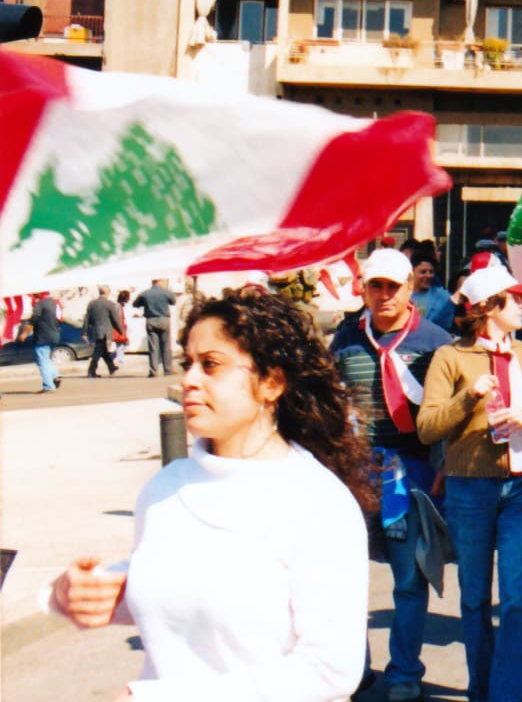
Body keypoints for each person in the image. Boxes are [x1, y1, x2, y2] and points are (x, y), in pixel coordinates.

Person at [50, 289, 373, 698]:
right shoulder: (165, 490)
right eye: (188, 364)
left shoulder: (317, 503)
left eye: (211, 366)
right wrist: (80, 591)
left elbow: (331, 671)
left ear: (271, 383)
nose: (188, 380)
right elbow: (183, 595)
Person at [418, 265, 522, 702]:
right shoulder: (450, 357)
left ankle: (515, 697)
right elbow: (427, 428)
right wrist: (468, 397)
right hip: (470, 489)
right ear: (488, 308)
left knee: (517, 600)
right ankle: (482, 690)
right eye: (514, 300)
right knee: (475, 598)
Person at [328, 247, 453, 702]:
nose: (383, 296)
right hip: (354, 472)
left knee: (408, 580)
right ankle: (354, 670)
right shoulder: (344, 341)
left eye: (392, 287)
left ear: (409, 290)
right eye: (374, 286)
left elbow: (452, 415)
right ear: (363, 289)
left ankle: (404, 671)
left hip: (412, 473)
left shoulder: (437, 342)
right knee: (345, 579)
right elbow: (329, 405)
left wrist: (443, 466)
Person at [137, 278, 177, 378]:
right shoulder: (166, 292)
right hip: (164, 319)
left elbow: (135, 304)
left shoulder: (145, 293)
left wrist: (145, 304)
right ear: (159, 282)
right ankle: (168, 370)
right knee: (166, 346)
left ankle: (153, 371)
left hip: (151, 320)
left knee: (153, 347)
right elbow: (173, 301)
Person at [84, 286, 123, 378]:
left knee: (103, 351)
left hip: (95, 331)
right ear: (107, 292)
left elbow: (87, 318)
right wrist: (120, 330)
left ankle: (112, 367)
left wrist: (84, 332)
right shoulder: (110, 304)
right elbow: (115, 319)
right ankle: (91, 371)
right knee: (97, 352)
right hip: (104, 332)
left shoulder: (91, 303)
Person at [412, 256, 457, 331]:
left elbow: (446, 324)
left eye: (431, 272)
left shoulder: (442, 296)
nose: (428, 275)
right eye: (423, 272)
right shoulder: (403, 295)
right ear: (411, 273)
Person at [29, 292, 60, 392]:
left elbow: (34, 319)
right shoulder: (54, 303)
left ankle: (48, 386)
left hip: (43, 336)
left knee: (42, 361)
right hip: (55, 335)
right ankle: (55, 375)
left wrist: (24, 332)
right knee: (46, 359)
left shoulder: (40, 304)